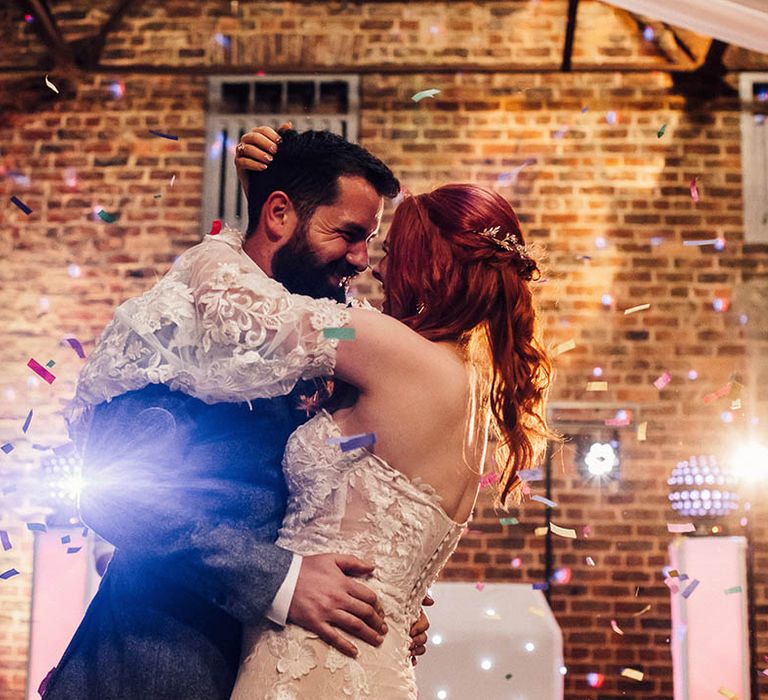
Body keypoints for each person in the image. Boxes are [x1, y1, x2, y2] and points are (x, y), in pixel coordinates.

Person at [42, 129, 430, 700]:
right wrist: (282, 581)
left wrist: (391, 599)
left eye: (368, 240)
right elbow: (120, 497)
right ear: (279, 215)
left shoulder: (337, 328)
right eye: (347, 234)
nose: (360, 259)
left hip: (289, 670)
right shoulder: (174, 327)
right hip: (160, 665)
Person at [222, 128, 554, 697]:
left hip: (310, 668)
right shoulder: (475, 395)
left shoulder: (385, 347)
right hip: (375, 666)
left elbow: (239, 307)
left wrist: (261, 217)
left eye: (393, 254)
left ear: (428, 268)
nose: (374, 269)